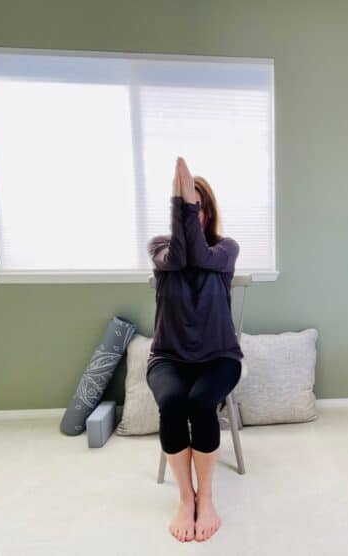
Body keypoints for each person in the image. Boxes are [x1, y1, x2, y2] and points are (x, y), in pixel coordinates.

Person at [146, 157, 243, 543]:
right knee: (173, 403)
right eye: (188, 205)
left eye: (198, 207)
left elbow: (198, 256)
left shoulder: (226, 250)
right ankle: (186, 499)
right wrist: (179, 202)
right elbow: (182, 256)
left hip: (219, 356)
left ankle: (208, 497)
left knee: (201, 404)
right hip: (168, 357)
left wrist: (184, 198)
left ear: (208, 210)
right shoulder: (160, 250)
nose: (193, 214)